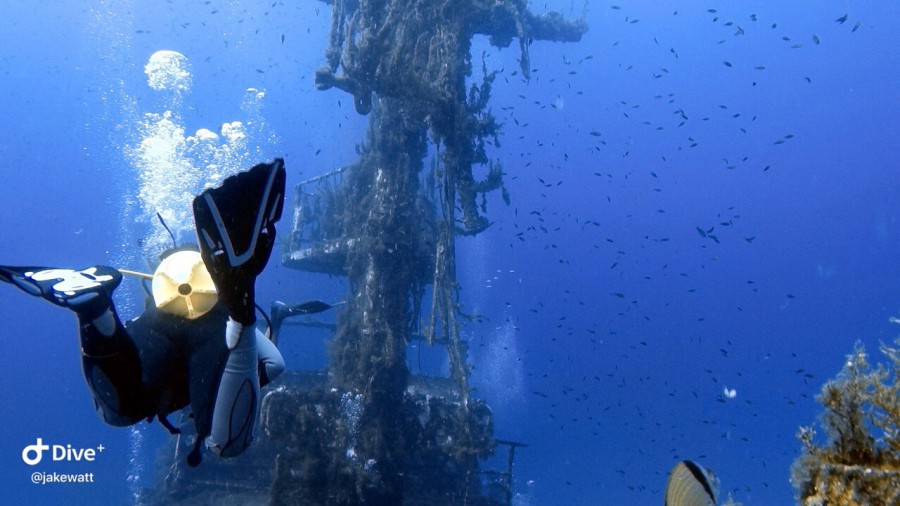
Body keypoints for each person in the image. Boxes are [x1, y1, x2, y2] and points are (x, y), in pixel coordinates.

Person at [0, 159, 287, 467]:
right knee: (224, 444)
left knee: (122, 412)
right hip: (219, 323)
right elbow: (274, 364)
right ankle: (242, 316)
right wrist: (241, 320)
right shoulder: (219, 307)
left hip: (156, 324)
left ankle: (96, 311)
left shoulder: (155, 307)